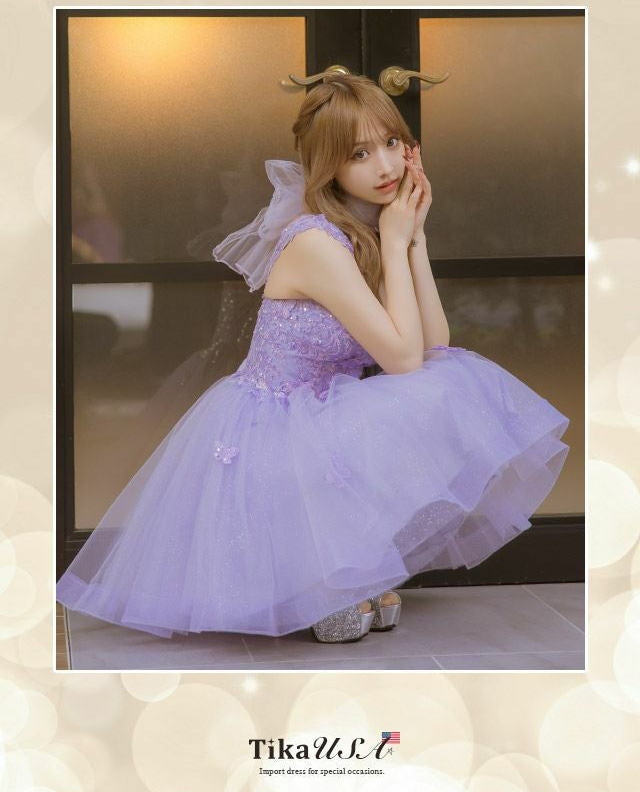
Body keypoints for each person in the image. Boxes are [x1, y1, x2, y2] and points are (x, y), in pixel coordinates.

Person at [56, 73, 570, 647]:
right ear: (328, 166)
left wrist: (414, 238)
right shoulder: (315, 242)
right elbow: (404, 361)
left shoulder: (372, 230)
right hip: (273, 432)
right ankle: (316, 581)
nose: (386, 166)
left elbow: (432, 345)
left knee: (451, 376)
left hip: (327, 417)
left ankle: (346, 573)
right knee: (424, 390)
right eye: (359, 154)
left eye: (392, 143)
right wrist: (395, 242)